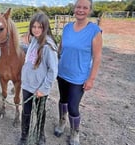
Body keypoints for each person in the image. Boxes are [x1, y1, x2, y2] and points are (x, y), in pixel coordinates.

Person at [53, 0, 103, 145]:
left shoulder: (94, 31)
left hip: (79, 77)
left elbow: (97, 57)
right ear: (74, 9)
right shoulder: (67, 27)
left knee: (73, 106)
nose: (81, 10)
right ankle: (62, 123)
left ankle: (75, 132)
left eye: (85, 7)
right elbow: (60, 48)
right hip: (62, 73)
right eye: (78, 7)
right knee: (62, 100)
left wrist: (91, 79)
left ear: (89, 10)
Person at [18, 12, 58, 145]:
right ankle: (24, 136)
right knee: (26, 111)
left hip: (39, 88)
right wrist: (19, 46)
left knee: (40, 112)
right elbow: (31, 52)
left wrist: (44, 88)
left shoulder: (48, 46)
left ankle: (41, 135)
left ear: (45, 27)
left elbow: (53, 71)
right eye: (34, 27)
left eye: (39, 27)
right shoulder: (34, 40)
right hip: (27, 84)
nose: (36, 30)